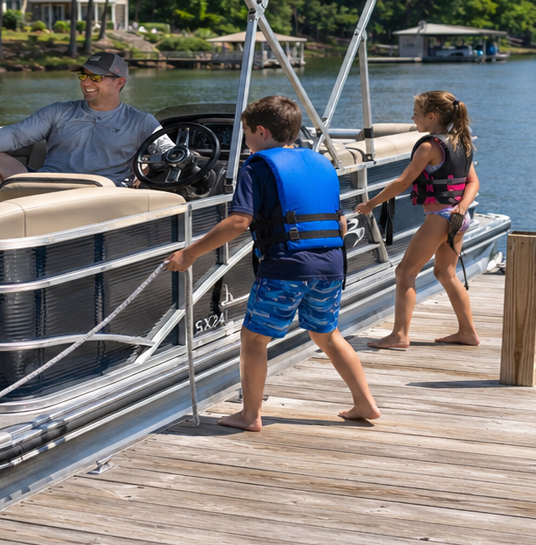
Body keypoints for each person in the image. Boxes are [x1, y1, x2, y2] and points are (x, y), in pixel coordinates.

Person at [165, 95, 379, 429]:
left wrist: (189, 253)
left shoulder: (257, 166)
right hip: (332, 265)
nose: (245, 141)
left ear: (261, 132)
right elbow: (338, 222)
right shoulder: (321, 163)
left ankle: (250, 415)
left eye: (246, 133)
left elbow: (239, 222)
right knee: (327, 334)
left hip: (286, 266)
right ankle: (365, 403)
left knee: (253, 339)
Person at [0, 52, 162, 206]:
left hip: (100, 196)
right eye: (83, 75)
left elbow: (168, 154)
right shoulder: (59, 111)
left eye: (95, 77)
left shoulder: (142, 121)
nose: (86, 82)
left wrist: (146, 170)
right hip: (47, 188)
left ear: (119, 83)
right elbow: (17, 134)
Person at [356, 90, 481, 350]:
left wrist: (370, 204)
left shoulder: (429, 146)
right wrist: (462, 207)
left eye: (416, 114)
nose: (412, 118)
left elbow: (403, 182)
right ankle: (468, 332)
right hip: (459, 218)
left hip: (439, 218)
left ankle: (399, 335)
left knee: (405, 272)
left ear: (431, 116)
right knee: (446, 273)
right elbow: (473, 182)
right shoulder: (461, 142)